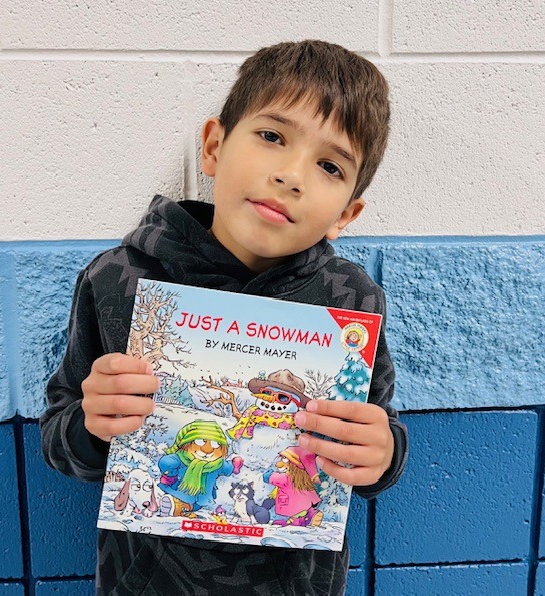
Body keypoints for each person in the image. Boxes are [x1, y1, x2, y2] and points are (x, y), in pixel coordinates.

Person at [41, 39, 408, 595]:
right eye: (271, 136)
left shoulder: (352, 303)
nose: (291, 174)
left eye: (330, 165)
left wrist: (382, 455)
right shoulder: (119, 281)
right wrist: (93, 427)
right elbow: (57, 432)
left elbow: (378, 432)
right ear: (213, 147)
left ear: (346, 214)